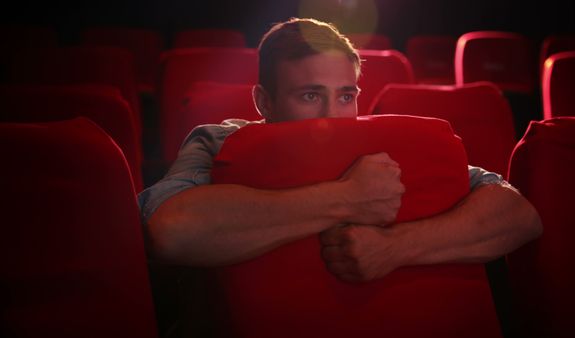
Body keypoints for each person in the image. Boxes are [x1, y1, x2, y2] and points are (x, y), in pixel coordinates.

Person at [139, 18, 542, 283]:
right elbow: (170, 233)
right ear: (264, 102)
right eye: (310, 95)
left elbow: (518, 215)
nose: (331, 116)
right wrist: (346, 199)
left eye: (346, 96)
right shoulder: (218, 141)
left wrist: (396, 247)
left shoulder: (381, 143)